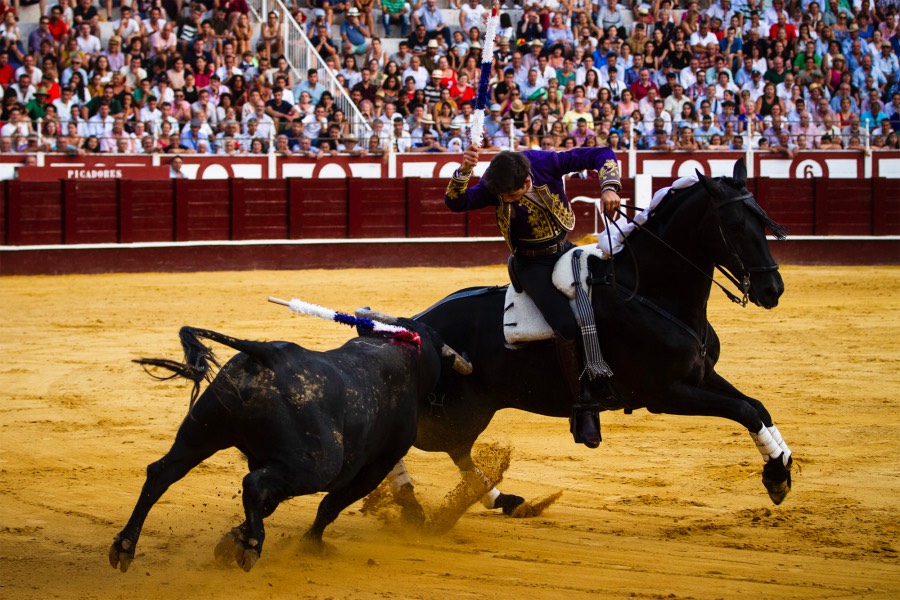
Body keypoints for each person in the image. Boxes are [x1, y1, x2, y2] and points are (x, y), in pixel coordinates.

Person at [443, 145, 622, 448]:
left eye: (512, 195)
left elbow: (601, 153)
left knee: (612, 294)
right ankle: (582, 406)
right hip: (531, 263)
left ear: (527, 180)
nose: (508, 200)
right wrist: (464, 172)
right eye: (505, 197)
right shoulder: (494, 185)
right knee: (565, 325)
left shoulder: (546, 162)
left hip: (565, 249)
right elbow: (456, 203)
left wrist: (608, 187)